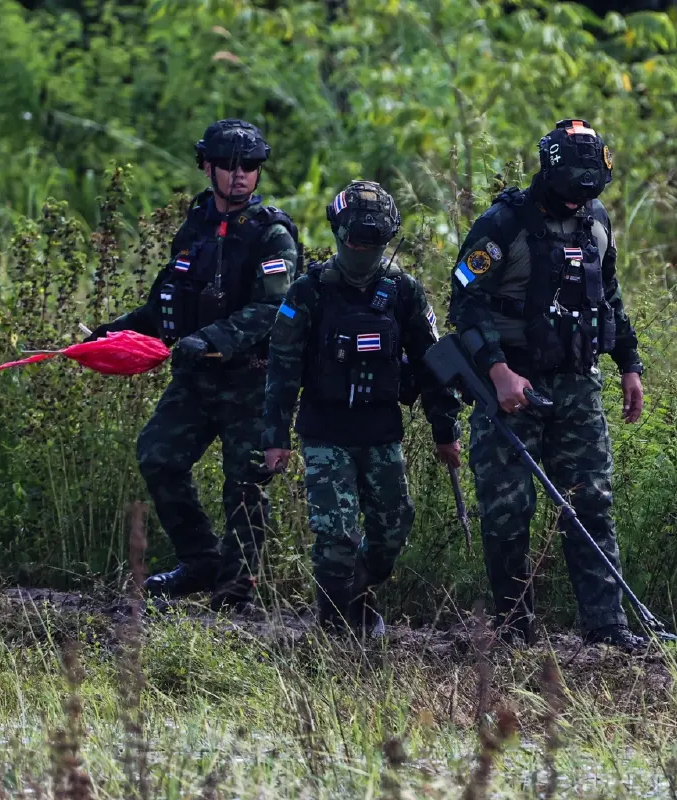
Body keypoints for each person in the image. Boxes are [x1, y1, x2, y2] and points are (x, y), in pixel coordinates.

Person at [447, 119, 646, 651]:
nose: (582, 201)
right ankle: (514, 627)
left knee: (591, 504)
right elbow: (464, 302)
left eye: (592, 191)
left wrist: (629, 364)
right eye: (574, 190)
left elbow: (610, 297)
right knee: (508, 510)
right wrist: (496, 370)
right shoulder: (502, 225)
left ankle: (607, 627)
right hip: (511, 386)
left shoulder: (597, 221)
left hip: (579, 384)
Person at [85, 118, 299, 609]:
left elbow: (274, 310)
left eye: (250, 165)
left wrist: (212, 338)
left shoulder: (273, 235)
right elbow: (166, 302)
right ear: (207, 165)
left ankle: (236, 588)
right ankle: (201, 560)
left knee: (244, 484)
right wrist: (116, 333)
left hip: (249, 381)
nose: (239, 174)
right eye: (227, 164)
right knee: (158, 455)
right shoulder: (197, 224)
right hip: (195, 379)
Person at [261, 180, 462, 637]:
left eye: (374, 243)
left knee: (393, 527)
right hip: (326, 432)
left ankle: (358, 594)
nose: (364, 250)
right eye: (356, 240)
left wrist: (444, 430)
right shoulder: (307, 293)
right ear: (338, 235)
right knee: (334, 536)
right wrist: (275, 438)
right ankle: (335, 634)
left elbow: (434, 364)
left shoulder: (403, 292)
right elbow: (283, 368)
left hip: (380, 431)